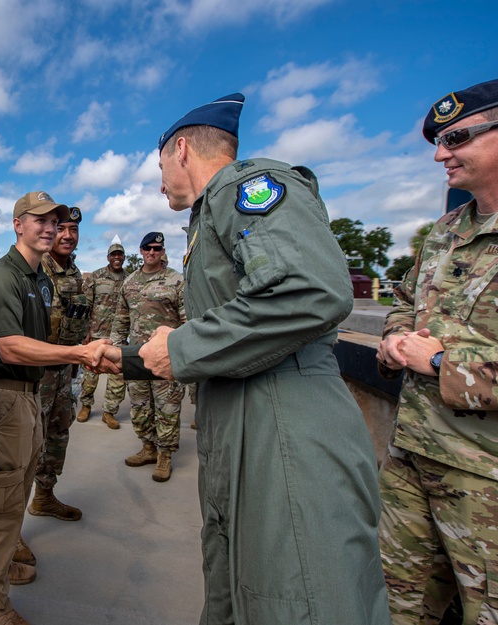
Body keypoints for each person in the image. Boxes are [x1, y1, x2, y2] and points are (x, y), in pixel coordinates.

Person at [103, 93, 388, 624]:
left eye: (159, 164)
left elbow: (309, 290)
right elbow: (231, 327)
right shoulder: (209, 215)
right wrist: (131, 357)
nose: (158, 180)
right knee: (242, 590)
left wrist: (181, 347)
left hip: (282, 427)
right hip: (240, 420)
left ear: (181, 149)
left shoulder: (245, 187)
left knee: (297, 595)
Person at [376, 77, 498, 625]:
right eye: (439, 140)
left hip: (496, 485)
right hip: (413, 459)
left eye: (457, 138)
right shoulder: (445, 231)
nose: (441, 154)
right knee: (395, 608)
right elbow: (404, 303)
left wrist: (439, 363)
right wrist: (394, 339)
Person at [0, 191, 116, 625]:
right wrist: (76, 353)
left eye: (55, 221)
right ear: (18, 224)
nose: (51, 228)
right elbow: (9, 347)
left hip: (29, 397)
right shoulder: (4, 277)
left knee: (15, 494)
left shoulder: (38, 279)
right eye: (40, 220)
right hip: (4, 396)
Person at [29, 206, 91, 521]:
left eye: (74, 230)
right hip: (37, 372)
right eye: (61, 228)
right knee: (26, 444)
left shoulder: (74, 273)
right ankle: (10, 531)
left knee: (57, 436)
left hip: (64, 371)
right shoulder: (36, 268)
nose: (67, 236)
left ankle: (43, 497)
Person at [110, 232, 186, 482]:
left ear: (163, 251)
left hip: (167, 358)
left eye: (157, 248)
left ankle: (165, 455)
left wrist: (185, 355)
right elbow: (121, 319)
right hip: (137, 356)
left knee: (167, 408)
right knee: (140, 407)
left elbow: (187, 321)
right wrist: (116, 351)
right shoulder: (129, 282)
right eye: (147, 248)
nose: (152, 252)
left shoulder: (176, 281)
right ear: (141, 251)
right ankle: (149, 447)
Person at [78, 242, 128, 430]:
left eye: (120, 255)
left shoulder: (130, 280)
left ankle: (109, 412)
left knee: (117, 377)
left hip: (119, 336)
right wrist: (85, 333)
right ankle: (85, 405)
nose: (117, 257)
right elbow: (85, 306)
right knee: (90, 374)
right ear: (108, 257)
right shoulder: (96, 277)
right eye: (113, 254)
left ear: (123, 257)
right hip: (97, 335)